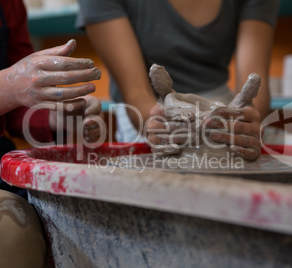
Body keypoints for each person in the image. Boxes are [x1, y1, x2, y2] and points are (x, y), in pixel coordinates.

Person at [0, 0, 102, 267]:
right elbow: (7, 93)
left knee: (80, 209)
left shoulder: (7, 5)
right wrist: (6, 87)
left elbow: (14, 110)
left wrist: (58, 116)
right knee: (4, 226)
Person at [77, 0, 279, 161]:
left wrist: (247, 119)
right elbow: (136, 93)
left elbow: (253, 85)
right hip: (149, 110)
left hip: (222, 107)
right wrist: (158, 124)